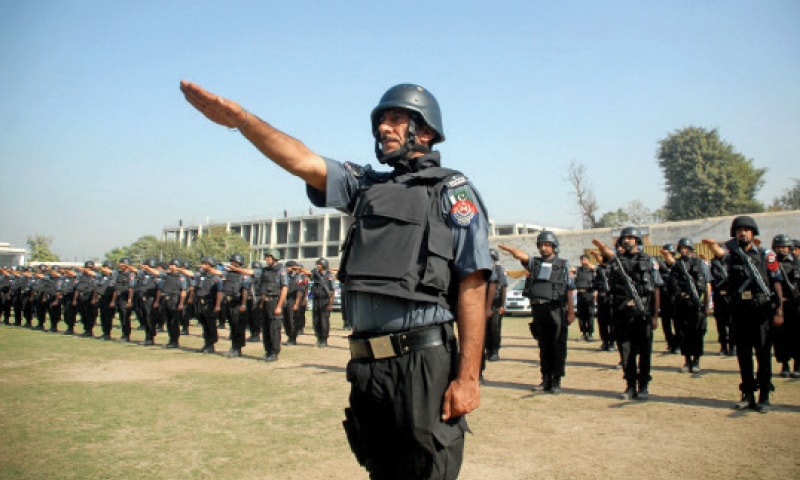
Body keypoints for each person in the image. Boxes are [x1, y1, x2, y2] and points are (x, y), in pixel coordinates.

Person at [181, 80, 490, 479]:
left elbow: (473, 284)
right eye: (380, 120)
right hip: (366, 366)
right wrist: (242, 121)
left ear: (425, 130)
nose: (384, 128)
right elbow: (302, 160)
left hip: (422, 363)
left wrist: (468, 378)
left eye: (396, 119)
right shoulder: (365, 186)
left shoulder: (451, 190)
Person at [702, 216, 784, 413]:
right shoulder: (732, 257)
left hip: (762, 312)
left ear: (753, 233)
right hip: (740, 314)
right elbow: (721, 259)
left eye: (747, 229)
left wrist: (779, 310)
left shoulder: (767, 255)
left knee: (763, 355)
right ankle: (747, 394)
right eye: (739, 230)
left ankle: (764, 395)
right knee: (743, 356)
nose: (743, 232)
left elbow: (777, 281)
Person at [499, 231, 576, 394]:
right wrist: (512, 251)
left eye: (547, 245)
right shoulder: (535, 263)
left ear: (554, 246)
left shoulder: (563, 264)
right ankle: (545, 379)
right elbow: (524, 257)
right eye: (541, 245)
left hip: (556, 309)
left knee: (558, 346)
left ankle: (556, 381)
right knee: (544, 345)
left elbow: (570, 288)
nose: (543, 248)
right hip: (539, 309)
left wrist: (571, 311)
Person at [593, 227, 662, 401]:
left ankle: (644, 385)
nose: (627, 240)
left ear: (638, 241)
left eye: (631, 238)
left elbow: (656, 289)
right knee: (625, 351)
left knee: (644, 351)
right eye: (624, 238)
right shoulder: (616, 263)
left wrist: (655, 315)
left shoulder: (649, 261)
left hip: (643, 313)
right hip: (622, 313)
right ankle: (630, 385)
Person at [661, 238, 709, 373]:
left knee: (697, 333)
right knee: (682, 333)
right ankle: (687, 360)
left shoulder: (699, 263)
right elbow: (672, 284)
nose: (683, 250)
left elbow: (702, 283)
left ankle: (696, 361)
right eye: (681, 248)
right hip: (680, 304)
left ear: (691, 249)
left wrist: (703, 302)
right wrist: (681, 294)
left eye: (686, 248)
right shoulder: (676, 265)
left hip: (695, 304)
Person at [770, 234, 800, 378]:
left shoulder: (797, 264)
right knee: (780, 337)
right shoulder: (771, 265)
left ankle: (798, 365)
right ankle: (785, 365)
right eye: (778, 247)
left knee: (797, 336)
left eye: (784, 247)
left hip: (796, 306)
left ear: (790, 248)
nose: (781, 249)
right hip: (779, 307)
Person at [220, 253, 251, 358]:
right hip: (229, 302)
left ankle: (237, 348)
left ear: (239, 263)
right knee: (232, 326)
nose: (232, 264)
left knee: (238, 327)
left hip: (238, 304)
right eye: (231, 261)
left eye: (234, 262)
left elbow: (245, 290)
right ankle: (233, 346)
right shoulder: (228, 274)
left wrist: (243, 304)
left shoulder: (243, 275)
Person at [153, 259, 188, 349]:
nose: (171, 266)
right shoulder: (166, 275)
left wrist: (181, 303)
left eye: (173, 265)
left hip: (175, 299)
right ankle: (171, 340)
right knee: (168, 321)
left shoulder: (181, 277)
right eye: (171, 265)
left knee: (174, 322)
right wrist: (147, 268)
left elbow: (183, 291)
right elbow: (156, 273)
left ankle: (175, 341)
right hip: (166, 299)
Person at [260, 249, 287, 361]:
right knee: (266, 328)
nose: (266, 259)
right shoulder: (265, 270)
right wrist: (261, 302)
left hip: (275, 301)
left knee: (274, 328)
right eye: (266, 257)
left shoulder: (281, 270)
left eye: (269, 257)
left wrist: (279, 306)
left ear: (275, 258)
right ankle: (268, 350)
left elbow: (284, 288)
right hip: (265, 301)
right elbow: (263, 288)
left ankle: (274, 352)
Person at [709, 243, 735, 356]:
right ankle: (723, 346)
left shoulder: (731, 261)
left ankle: (733, 347)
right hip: (719, 296)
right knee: (720, 324)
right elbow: (711, 280)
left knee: (732, 323)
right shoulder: (713, 263)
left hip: (731, 296)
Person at [196, 256, 224, 353]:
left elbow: (219, 292)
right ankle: (206, 342)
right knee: (204, 324)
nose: (203, 266)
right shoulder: (201, 276)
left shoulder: (216, 277)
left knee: (211, 324)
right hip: (201, 303)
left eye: (205, 264)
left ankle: (211, 344)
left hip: (210, 303)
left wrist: (217, 305)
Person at [484, 248, 507, 362]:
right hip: (483, 303)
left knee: (495, 328)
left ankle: (494, 351)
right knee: (484, 329)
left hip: (496, 304)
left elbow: (503, 288)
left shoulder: (499, 270)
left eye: (491, 259)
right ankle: (487, 349)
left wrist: (503, 305)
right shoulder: (483, 270)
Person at [310, 257, 335, 348]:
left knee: (324, 321)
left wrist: (330, 303)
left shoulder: (329, 275)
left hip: (325, 300)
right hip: (316, 299)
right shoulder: (315, 274)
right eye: (317, 264)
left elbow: (332, 290)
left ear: (324, 265)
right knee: (316, 319)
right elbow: (308, 275)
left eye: (319, 264)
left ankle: (324, 340)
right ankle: (318, 338)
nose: (318, 266)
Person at [111, 258, 137, 342]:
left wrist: (129, 300)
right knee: (122, 317)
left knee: (126, 317)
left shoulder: (131, 275)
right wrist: (113, 300)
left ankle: (126, 335)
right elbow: (116, 288)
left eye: (122, 264)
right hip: (119, 297)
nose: (120, 266)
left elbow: (131, 288)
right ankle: (123, 334)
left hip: (126, 298)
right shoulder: (119, 274)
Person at [574, 254, 597, 342]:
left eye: (584, 259)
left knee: (590, 314)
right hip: (580, 294)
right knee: (581, 315)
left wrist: (595, 292)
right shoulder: (578, 270)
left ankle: (590, 334)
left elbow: (596, 279)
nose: (583, 261)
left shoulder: (592, 270)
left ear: (588, 260)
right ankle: (583, 333)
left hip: (589, 294)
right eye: (581, 260)